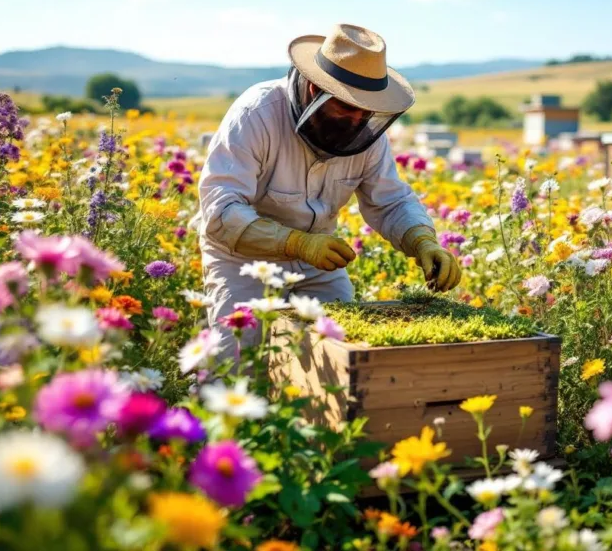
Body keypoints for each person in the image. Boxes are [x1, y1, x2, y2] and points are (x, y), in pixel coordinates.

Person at [193, 23, 461, 354]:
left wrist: (422, 240)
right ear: (313, 90)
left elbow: (390, 201)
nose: (357, 119)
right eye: (347, 106)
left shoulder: (366, 134)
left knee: (335, 355)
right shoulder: (256, 114)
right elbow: (221, 212)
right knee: (239, 361)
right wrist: (297, 243)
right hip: (243, 261)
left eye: (366, 109)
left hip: (318, 266)